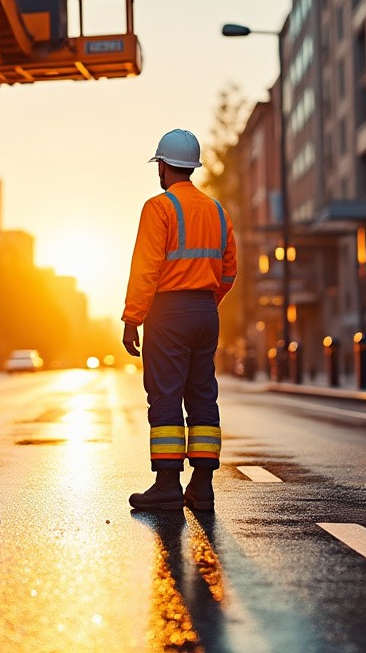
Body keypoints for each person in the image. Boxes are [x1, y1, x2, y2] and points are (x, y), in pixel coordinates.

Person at [122, 129, 237, 511]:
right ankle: (201, 487)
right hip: (206, 311)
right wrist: (208, 301)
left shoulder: (160, 208)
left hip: (169, 313)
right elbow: (229, 270)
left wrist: (132, 318)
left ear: (164, 167)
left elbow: (146, 270)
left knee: (166, 394)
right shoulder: (217, 211)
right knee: (203, 394)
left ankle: (167, 483)